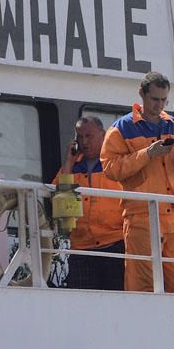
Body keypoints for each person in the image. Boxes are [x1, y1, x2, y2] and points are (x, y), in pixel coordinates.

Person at [100, 71, 174, 293]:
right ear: (142, 95)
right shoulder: (121, 129)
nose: (159, 105)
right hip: (142, 219)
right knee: (142, 287)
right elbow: (110, 168)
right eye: (155, 99)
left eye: (163, 100)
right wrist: (147, 154)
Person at [52, 116, 125, 290]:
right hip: (82, 247)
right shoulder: (72, 168)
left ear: (103, 134)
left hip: (115, 243)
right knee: (82, 301)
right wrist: (68, 163)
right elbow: (60, 203)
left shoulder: (116, 163)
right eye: (80, 137)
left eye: (89, 136)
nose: (84, 142)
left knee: (117, 298)